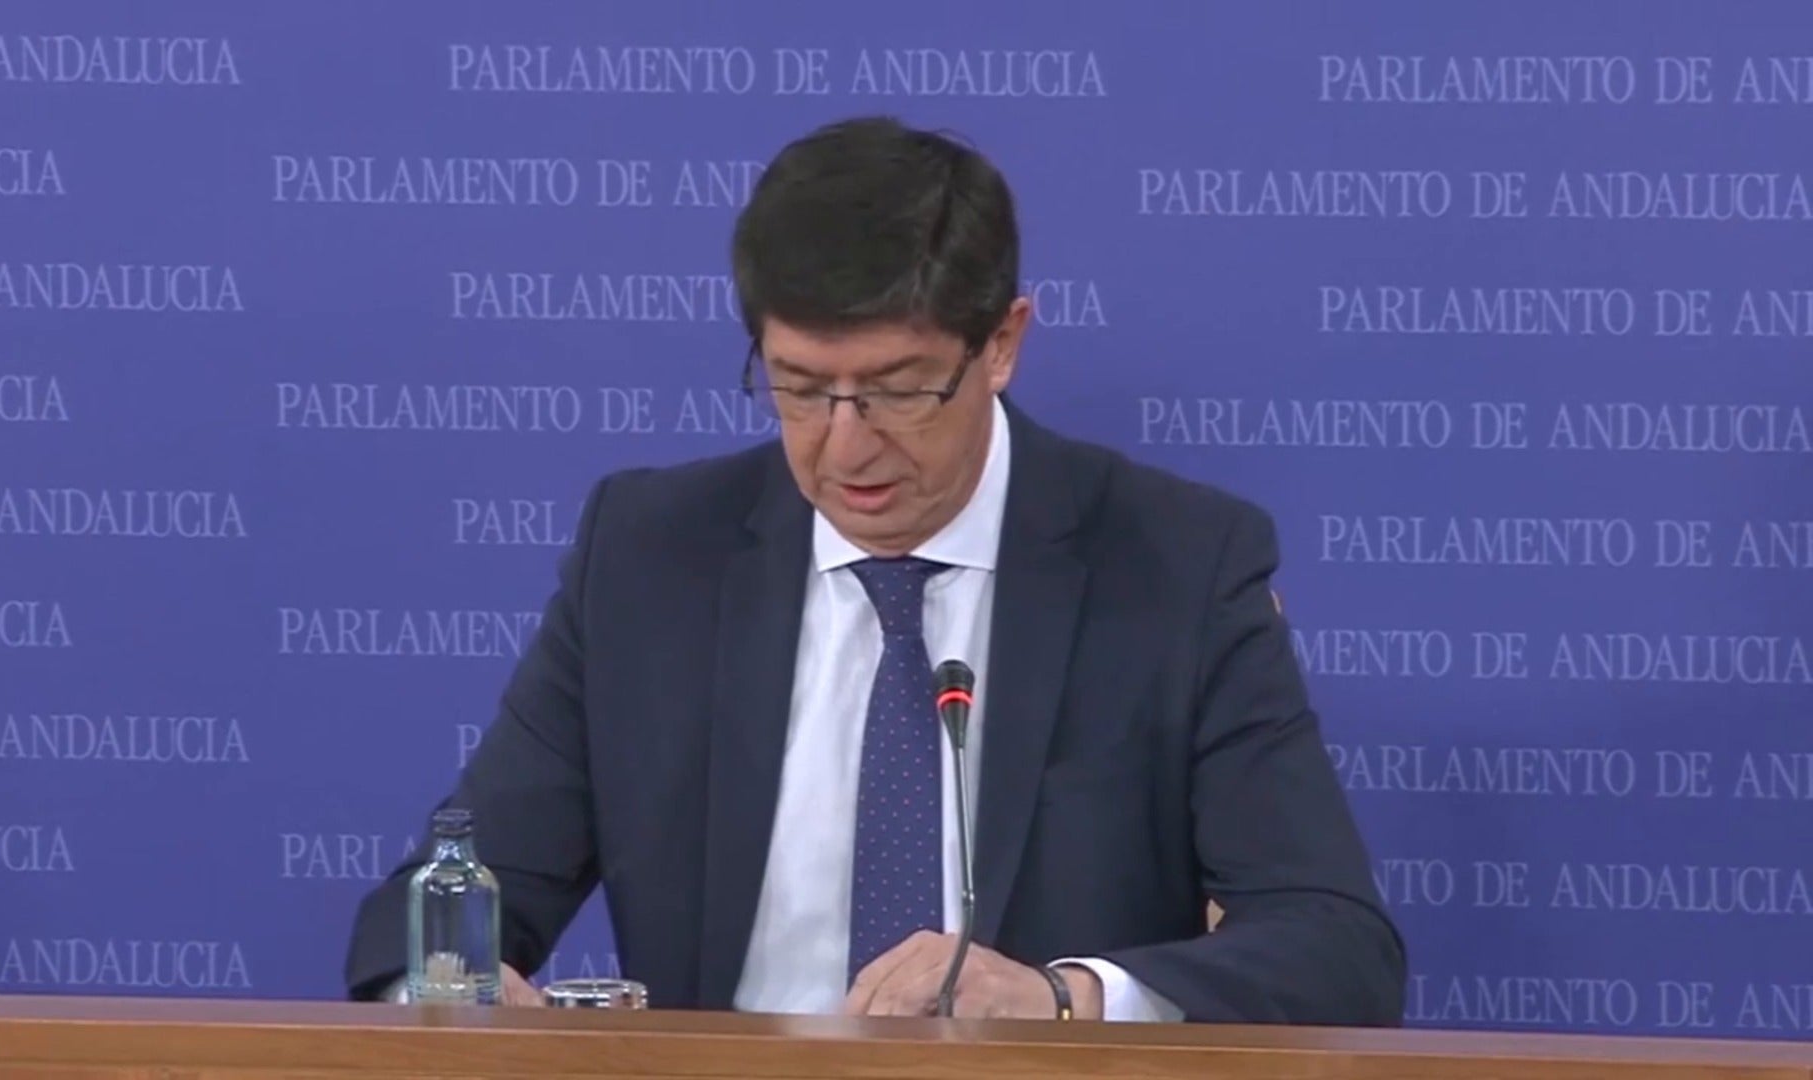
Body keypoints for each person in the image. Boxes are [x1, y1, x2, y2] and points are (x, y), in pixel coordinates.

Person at [344, 115, 1405, 1024]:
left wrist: (1061, 998)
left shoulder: (1175, 566)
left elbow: (1336, 947)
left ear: (1002, 343)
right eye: (802, 389)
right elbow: (438, 904)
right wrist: (450, 992)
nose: (846, 447)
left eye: (898, 391)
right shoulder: (652, 557)